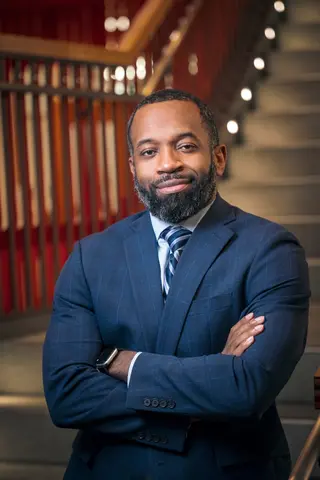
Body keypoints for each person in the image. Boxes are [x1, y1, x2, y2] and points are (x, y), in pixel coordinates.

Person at [43, 89, 310, 480]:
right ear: (133, 167)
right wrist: (214, 373)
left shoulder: (270, 249)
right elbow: (66, 396)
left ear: (217, 157)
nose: (167, 164)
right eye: (149, 152)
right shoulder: (90, 256)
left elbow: (247, 387)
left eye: (185, 146)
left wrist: (122, 361)